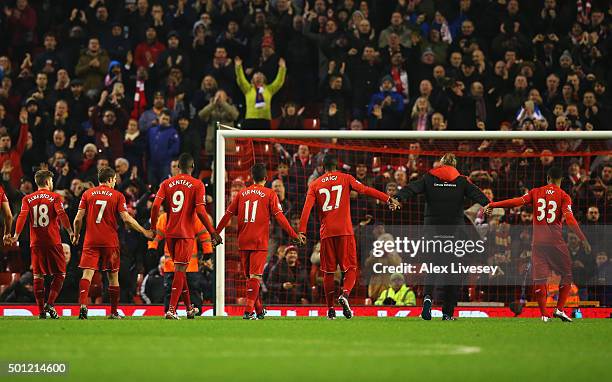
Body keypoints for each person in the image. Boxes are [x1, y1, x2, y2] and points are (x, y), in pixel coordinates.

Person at [298, 154, 400, 319]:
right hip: (345, 231)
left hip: (326, 233)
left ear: (323, 167)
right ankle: (344, 295)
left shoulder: (315, 184)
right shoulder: (345, 178)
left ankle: (330, 309)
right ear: (336, 166)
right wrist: (387, 198)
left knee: (328, 273)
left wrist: (301, 231)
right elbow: (366, 190)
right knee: (351, 268)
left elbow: (306, 208)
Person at [485, 166, 591, 322]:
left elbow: (516, 202)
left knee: (540, 279)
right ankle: (559, 309)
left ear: (547, 179)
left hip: (538, 243)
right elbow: (569, 219)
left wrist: (493, 204)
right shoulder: (564, 196)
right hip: (555, 242)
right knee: (567, 274)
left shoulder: (535, 192)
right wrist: (583, 239)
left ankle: (543, 314)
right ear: (560, 180)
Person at [398, 153, 490, 321]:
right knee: (452, 273)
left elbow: (411, 188)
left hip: (432, 232)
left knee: (432, 268)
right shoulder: (461, 180)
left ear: (440, 165)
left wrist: (398, 198)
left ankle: (427, 299)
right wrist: (488, 204)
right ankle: (447, 313)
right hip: (454, 234)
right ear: (454, 165)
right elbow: (478, 195)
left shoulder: (428, 178)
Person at [216, 163, 302, 319]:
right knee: (255, 277)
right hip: (259, 241)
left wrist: (216, 233)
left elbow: (227, 214)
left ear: (252, 177)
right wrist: (294, 235)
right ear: (266, 178)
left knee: (250, 279)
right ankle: (249, 311)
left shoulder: (242, 193)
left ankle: (259, 310)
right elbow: (280, 218)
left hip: (242, 240)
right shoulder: (270, 194)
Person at [73, 167, 152, 319]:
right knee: (112, 277)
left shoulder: (87, 194)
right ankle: (114, 312)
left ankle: (83, 306)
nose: (115, 182)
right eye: (114, 180)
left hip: (91, 240)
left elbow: (78, 219)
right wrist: (144, 231)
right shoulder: (117, 196)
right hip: (110, 241)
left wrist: (76, 235)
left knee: (87, 274)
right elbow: (126, 219)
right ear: (109, 179)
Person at [150, 153, 221, 320]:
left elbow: (155, 207)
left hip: (170, 234)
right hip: (185, 234)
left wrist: (153, 227)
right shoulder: (197, 184)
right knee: (180, 272)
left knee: (179, 272)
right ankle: (172, 310)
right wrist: (213, 232)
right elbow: (201, 211)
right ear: (192, 166)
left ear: (178, 167)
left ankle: (189, 308)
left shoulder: (166, 183)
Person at [9, 170, 72, 319]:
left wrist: (16, 235)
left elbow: (22, 217)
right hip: (53, 241)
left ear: (37, 182)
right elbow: (62, 215)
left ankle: (41, 312)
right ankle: (50, 303)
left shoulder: (28, 199)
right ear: (48, 182)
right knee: (60, 273)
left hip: (36, 243)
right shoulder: (55, 197)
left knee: (38, 276)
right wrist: (70, 231)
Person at [234, 56, 286, 130]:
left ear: (264, 79)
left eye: (260, 76)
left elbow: (279, 82)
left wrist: (282, 68)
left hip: (264, 121)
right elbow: (240, 79)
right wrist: (238, 67)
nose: (258, 77)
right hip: (250, 121)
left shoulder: (269, 89)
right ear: (252, 79)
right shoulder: (248, 89)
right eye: (256, 76)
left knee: (264, 142)